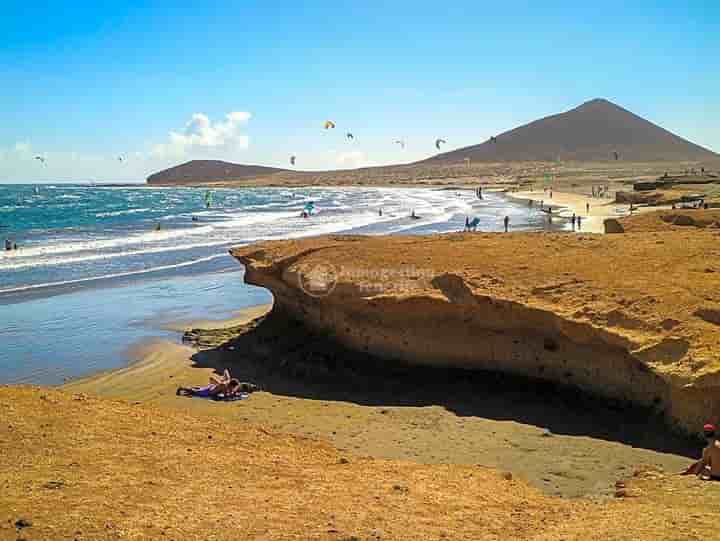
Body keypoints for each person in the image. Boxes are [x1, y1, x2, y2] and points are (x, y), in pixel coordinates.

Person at [176, 369, 242, 398]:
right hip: (208, 392)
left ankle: (185, 389)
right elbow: (226, 395)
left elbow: (226, 371)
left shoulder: (228, 381)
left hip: (211, 387)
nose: (234, 388)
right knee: (194, 391)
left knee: (198, 389)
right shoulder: (224, 386)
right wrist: (234, 394)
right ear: (231, 385)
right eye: (234, 387)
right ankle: (181, 388)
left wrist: (233, 392)